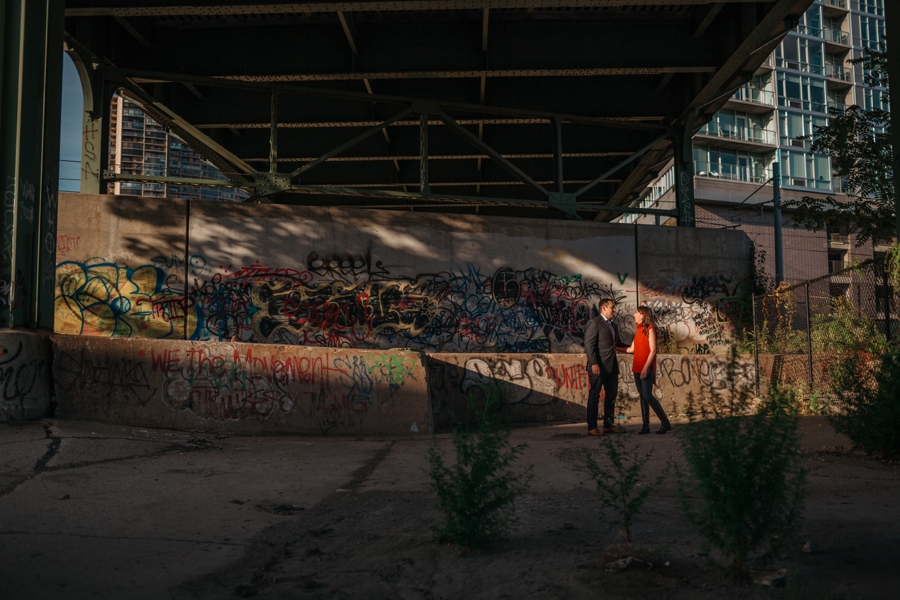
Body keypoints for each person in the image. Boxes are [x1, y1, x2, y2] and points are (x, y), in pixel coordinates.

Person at [625, 306, 672, 434]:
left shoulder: (650, 329)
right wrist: (615, 348)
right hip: (636, 368)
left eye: (636, 312)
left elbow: (653, 351)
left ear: (643, 315)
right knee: (643, 397)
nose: (634, 314)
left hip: (645, 368)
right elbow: (631, 349)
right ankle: (645, 426)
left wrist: (646, 368)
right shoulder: (638, 330)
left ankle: (666, 423)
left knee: (647, 395)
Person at [584, 298, 624, 436]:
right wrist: (594, 363)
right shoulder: (594, 323)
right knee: (594, 396)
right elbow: (589, 345)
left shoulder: (614, 326)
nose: (615, 310)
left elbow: (617, 344)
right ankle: (592, 427)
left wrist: (633, 347)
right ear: (604, 308)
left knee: (611, 396)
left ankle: (608, 425)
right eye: (612, 307)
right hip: (598, 366)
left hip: (612, 366)